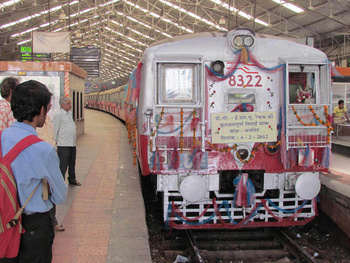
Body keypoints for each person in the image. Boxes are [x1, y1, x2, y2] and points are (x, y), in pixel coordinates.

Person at [0, 80, 67, 263]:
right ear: (42, 110)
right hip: (33, 228)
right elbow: (60, 196)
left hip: (3, 223)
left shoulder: (1, 137)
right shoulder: (43, 150)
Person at [37, 114, 65, 232]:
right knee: (43, 191)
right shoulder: (35, 121)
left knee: (51, 190)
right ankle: (49, 221)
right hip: (40, 158)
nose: (51, 104)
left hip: (50, 155)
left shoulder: (48, 118)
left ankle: (53, 221)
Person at [53, 97, 81, 186]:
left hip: (72, 143)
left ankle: (72, 179)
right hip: (63, 144)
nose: (70, 105)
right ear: (62, 105)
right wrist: (55, 141)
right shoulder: (59, 115)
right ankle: (60, 181)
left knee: (72, 163)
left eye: (70, 103)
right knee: (63, 164)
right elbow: (55, 129)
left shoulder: (69, 114)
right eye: (68, 103)